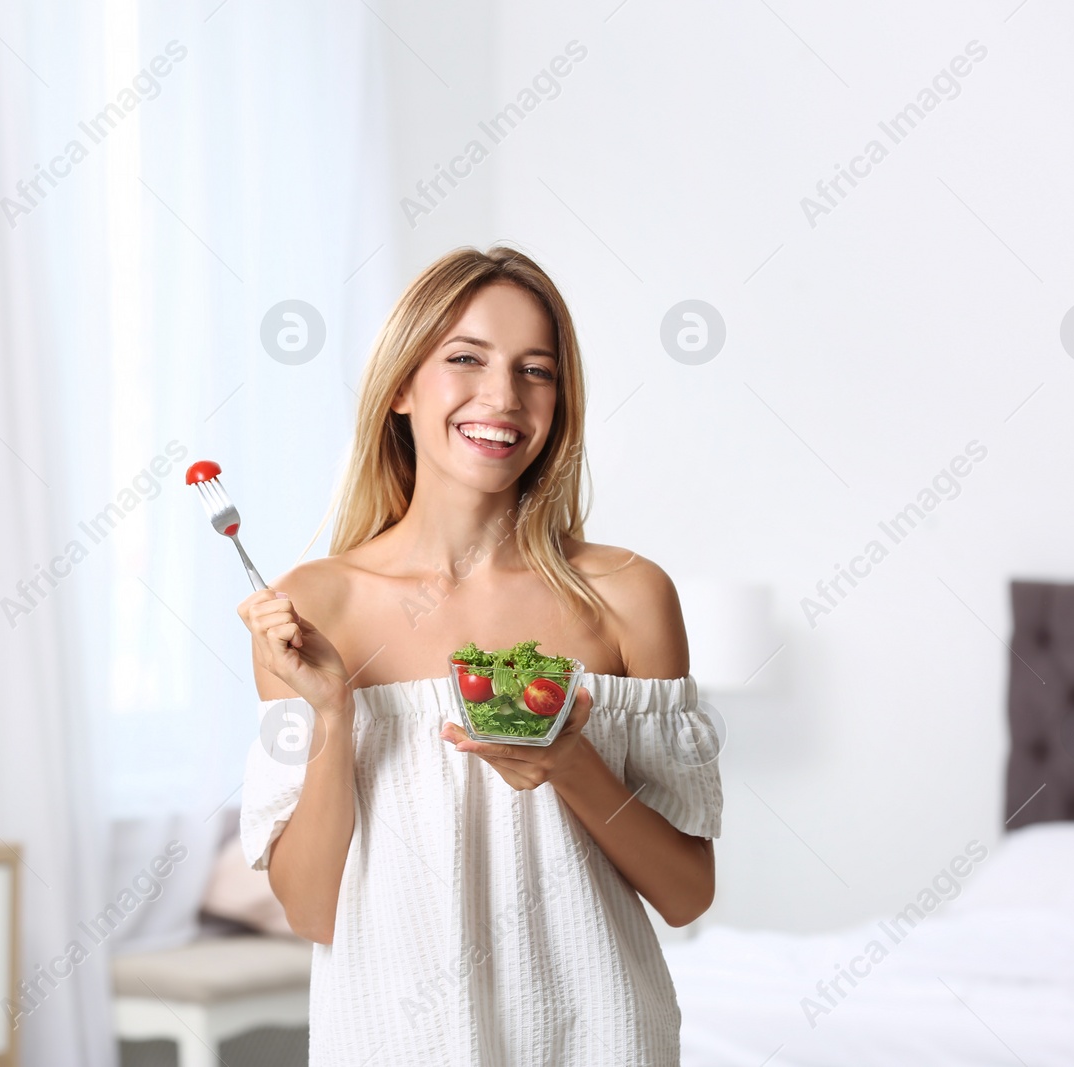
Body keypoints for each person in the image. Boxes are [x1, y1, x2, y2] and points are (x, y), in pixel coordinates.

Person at [236, 245, 722, 1065]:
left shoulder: (628, 595)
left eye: (537, 370)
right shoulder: (319, 605)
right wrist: (333, 711)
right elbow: (314, 912)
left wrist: (569, 761)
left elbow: (686, 894)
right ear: (400, 385)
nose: (503, 396)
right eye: (465, 358)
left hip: (598, 1038)